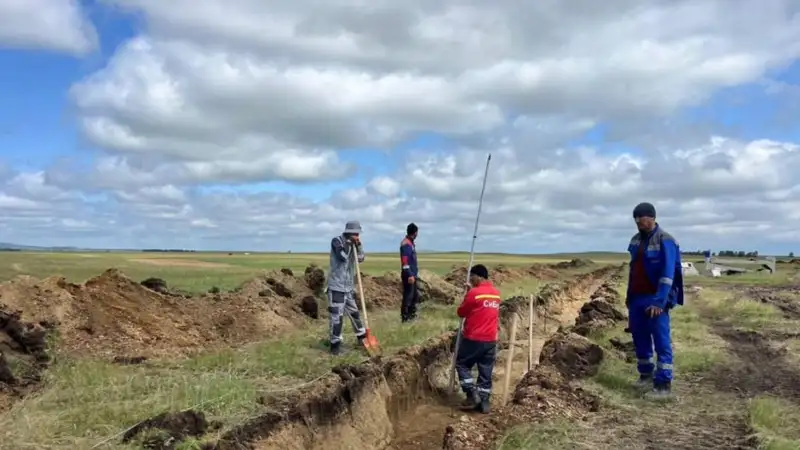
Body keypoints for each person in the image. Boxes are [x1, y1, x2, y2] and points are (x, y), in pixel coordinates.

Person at [626, 202, 684, 399]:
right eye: (635, 221)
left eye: (640, 220)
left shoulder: (665, 240)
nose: (638, 224)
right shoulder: (635, 241)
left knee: (660, 340)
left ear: (651, 218)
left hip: (656, 298)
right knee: (639, 338)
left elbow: (668, 274)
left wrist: (660, 301)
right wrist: (629, 300)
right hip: (637, 298)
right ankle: (645, 376)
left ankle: (663, 385)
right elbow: (633, 271)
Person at [454, 264, 501, 414]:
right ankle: (484, 400)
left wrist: (468, 294)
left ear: (478, 276)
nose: (470, 279)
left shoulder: (474, 293)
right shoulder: (496, 294)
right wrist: (470, 292)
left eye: (472, 277)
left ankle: (471, 394)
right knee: (485, 369)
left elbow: (461, 312)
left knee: (461, 364)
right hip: (491, 339)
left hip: (474, 338)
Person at [326, 220, 367, 355]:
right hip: (336, 287)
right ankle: (335, 346)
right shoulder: (337, 241)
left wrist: (359, 245)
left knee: (355, 313)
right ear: (349, 233)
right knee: (337, 317)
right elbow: (343, 256)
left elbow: (361, 258)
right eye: (356, 234)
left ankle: (362, 339)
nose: (357, 236)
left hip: (348, 287)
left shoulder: (355, 244)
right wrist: (349, 244)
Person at [400, 223, 420, 322]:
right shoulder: (406, 244)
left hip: (413, 274)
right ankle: (405, 319)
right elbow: (405, 261)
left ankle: (412, 317)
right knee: (408, 297)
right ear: (415, 233)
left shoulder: (410, 243)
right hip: (409, 275)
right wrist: (410, 275)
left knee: (414, 297)